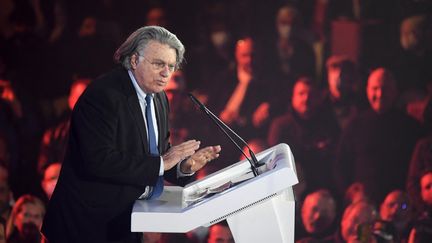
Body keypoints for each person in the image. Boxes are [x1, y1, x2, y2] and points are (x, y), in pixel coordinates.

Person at [41, 26, 221, 242]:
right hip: (88, 225)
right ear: (135, 60)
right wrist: (164, 162)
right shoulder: (103, 96)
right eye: (158, 64)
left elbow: (156, 157)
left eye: (171, 66)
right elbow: (99, 160)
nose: (166, 73)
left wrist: (183, 167)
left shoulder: (159, 98)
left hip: (127, 220)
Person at [334, 68, 423, 204]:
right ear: (367, 90)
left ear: (394, 92)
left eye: (385, 89)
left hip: (399, 205)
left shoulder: (411, 127)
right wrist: (349, 192)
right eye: (375, 88)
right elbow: (340, 164)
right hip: (363, 206)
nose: (380, 94)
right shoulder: (355, 125)